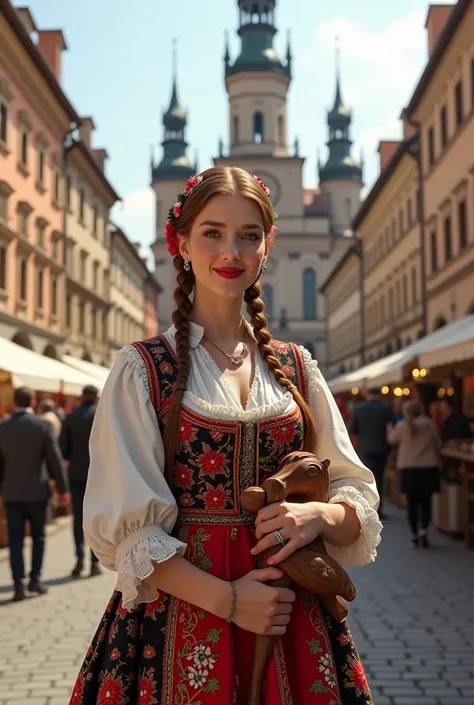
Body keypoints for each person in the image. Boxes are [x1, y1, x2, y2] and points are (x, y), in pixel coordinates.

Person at [70, 167, 382, 705]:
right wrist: (231, 600)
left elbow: (354, 488)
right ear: (182, 244)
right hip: (181, 618)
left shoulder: (296, 367)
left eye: (248, 235)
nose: (230, 250)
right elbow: (128, 535)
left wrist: (319, 516)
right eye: (212, 232)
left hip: (293, 616)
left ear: (266, 248)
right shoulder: (144, 368)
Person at [0, 387, 70, 602]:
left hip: (11, 492)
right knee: (38, 537)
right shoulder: (42, 426)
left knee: (15, 539)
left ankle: (18, 584)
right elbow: (54, 460)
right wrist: (62, 489)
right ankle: (35, 580)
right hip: (37, 492)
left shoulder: (3, 428)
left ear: (14, 403)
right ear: (32, 402)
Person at [59, 384, 101, 578]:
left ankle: (79, 559)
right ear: (96, 397)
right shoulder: (101, 415)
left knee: (78, 519)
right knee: (96, 518)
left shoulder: (71, 416)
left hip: (76, 474)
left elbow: (63, 449)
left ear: (82, 396)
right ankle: (94, 562)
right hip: (98, 475)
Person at [387, 400, 441, 548]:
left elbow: (392, 440)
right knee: (426, 502)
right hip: (428, 467)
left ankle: (414, 533)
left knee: (412, 503)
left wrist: (389, 429)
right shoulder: (429, 425)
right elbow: (438, 444)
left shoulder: (402, 425)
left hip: (408, 468)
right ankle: (424, 529)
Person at [348, 388, 396, 519]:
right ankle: (379, 509)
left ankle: (369, 507)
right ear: (379, 394)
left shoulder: (359, 408)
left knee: (367, 478)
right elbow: (393, 427)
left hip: (365, 448)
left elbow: (353, 430)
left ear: (367, 393)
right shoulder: (386, 408)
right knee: (380, 478)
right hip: (382, 448)